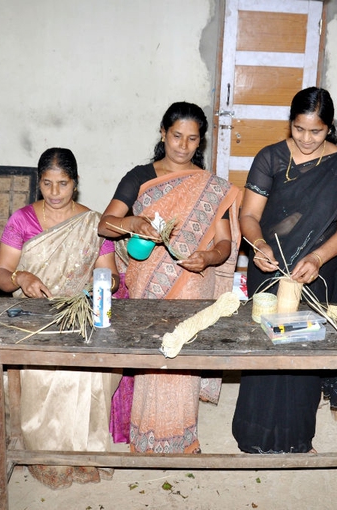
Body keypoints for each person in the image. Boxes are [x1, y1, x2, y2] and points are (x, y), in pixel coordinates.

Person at [231, 86, 337, 454]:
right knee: (266, 349)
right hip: (270, 266)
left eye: (316, 131)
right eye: (299, 129)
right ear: (289, 123)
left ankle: (298, 439)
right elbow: (249, 215)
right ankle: (254, 435)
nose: (307, 139)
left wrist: (318, 258)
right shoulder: (270, 157)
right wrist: (258, 245)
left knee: (302, 352)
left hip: (315, 272)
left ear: (329, 128)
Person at [98, 101, 240, 453]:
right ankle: (145, 437)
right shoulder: (139, 177)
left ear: (200, 142)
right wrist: (133, 223)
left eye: (192, 139)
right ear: (163, 134)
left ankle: (184, 438)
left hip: (193, 281)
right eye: (177, 136)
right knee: (154, 356)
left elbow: (224, 244)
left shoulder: (211, 186)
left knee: (183, 356)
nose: (183, 145)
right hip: (148, 281)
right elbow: (105, 224)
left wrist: (207, 257)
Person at [0, 147, 123, 488]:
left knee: (91, 371)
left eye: (62, 184)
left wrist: (104, 284)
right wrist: (20, 277)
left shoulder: (92, 223)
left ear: (75, 183)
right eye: (47, 184)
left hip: (79, 313)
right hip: (33, 316)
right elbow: (0, 275)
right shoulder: (22, 220)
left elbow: (110, 274)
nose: (54, 192)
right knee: (46, 373)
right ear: (39, 183)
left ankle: (83, 456)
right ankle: (47, 456)